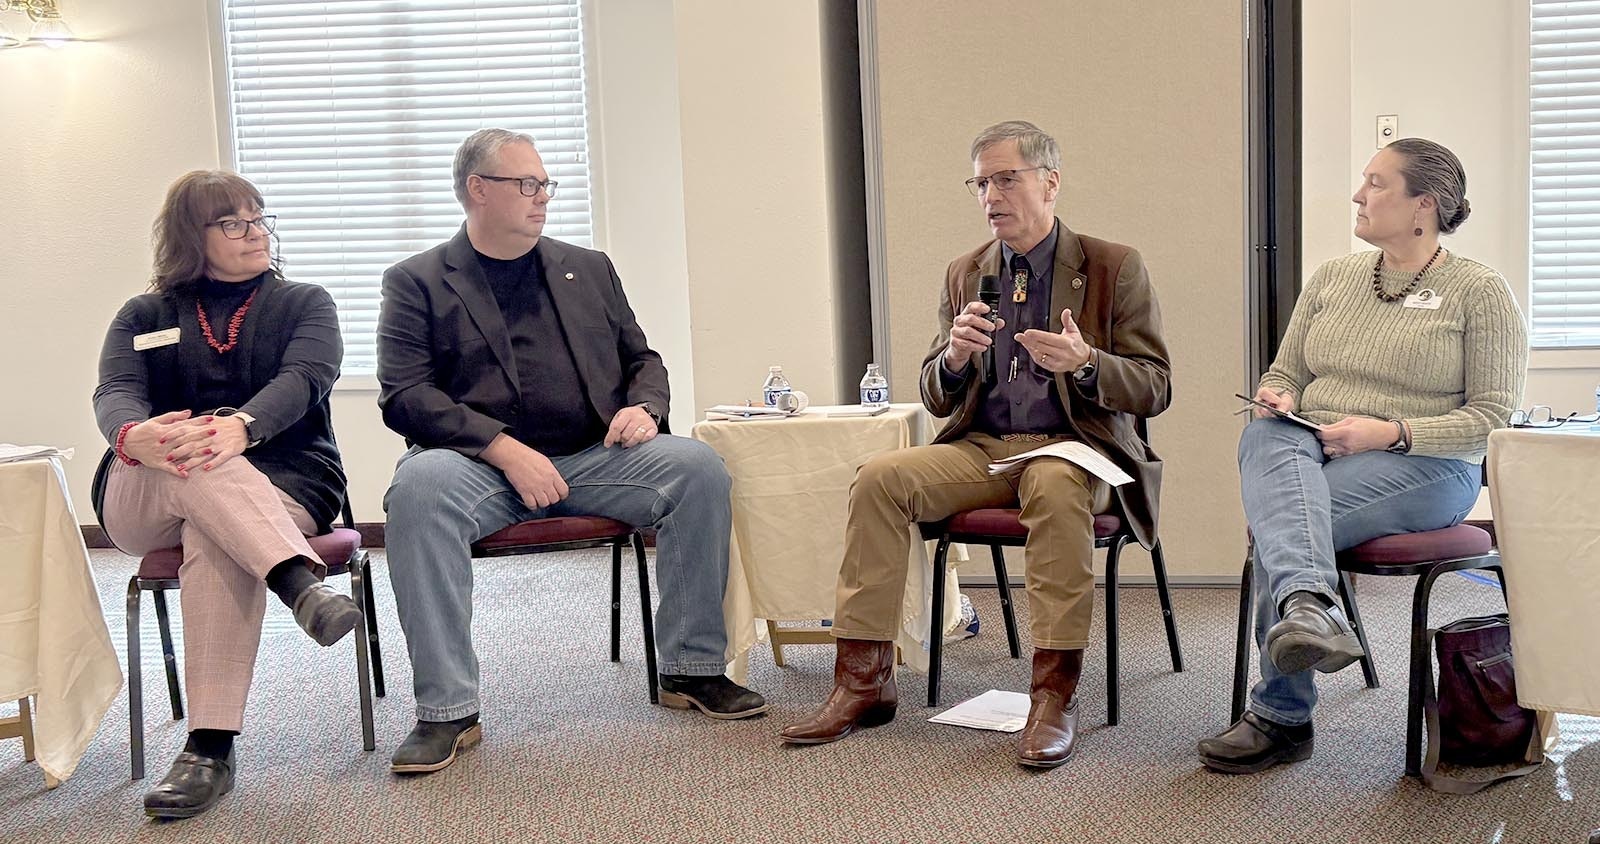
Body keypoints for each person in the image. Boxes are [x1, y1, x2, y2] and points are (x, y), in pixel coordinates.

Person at [780, 120, 1172, 768]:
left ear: (1050, 183)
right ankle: (862, 684)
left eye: (1006, 178)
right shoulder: (966, 272)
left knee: (1051, 482)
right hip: (986, 446)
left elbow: (1155, 387)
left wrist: (1085, 362)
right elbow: (936, 395)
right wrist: (955, 359)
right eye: (981, 182)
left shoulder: (1112, 266)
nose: (992, 195)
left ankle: (1052, 695)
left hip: (1076, 447)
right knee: (880, 479)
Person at [377, 128, 766, 775]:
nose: (541, 198)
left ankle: (691, 669)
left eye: (544, 184)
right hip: (473, 466)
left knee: (696, 468)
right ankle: (447, 709)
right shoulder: (417, 282)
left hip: (592, 457)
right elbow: (404, 395)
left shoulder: (587, 268)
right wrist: (502, 449)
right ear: (478, 190)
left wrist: (644, 407)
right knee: (416, 492)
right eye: (525, 184)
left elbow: (643, 358)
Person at [1198, 138, 1527, 774]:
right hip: (1310, 446)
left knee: (1280, 528)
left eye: (1375, 183)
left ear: (1421, 206)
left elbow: (1489, 421)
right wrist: (1278, 394)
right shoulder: (1333, 278)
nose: (1357, 195)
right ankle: (1308, 611)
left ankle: (1283, 709)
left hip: (1428, 465)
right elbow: (1287, 369)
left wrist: (1386, 433)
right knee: (1261, 434)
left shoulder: (1480, 293)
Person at [93, 170, 360, 818]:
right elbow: (115, 390)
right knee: (194, 451)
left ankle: (208, 750)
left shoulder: (304, 304)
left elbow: (306, 377)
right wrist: (135, 435)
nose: (255, 233)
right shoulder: (144, 314)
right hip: (146, 488)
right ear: (193, 235)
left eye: (260, 218)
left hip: (288, 480)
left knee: (211, 518)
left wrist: (242, 426)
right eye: (235, 222)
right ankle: (298, 583)